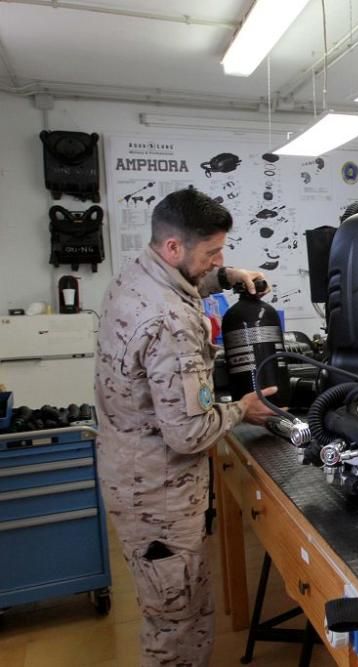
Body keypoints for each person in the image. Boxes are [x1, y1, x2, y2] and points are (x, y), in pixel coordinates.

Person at [94, 187, 277, 666]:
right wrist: (243, 409)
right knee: (177, 623)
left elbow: (188, 281)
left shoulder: (137, 278)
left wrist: (227, 275)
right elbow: (190, 432)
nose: (218, 259)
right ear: (174, 247)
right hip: (160, 494)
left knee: (171, 608)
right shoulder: (171, 320)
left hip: (132, 474)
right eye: (212, 252)